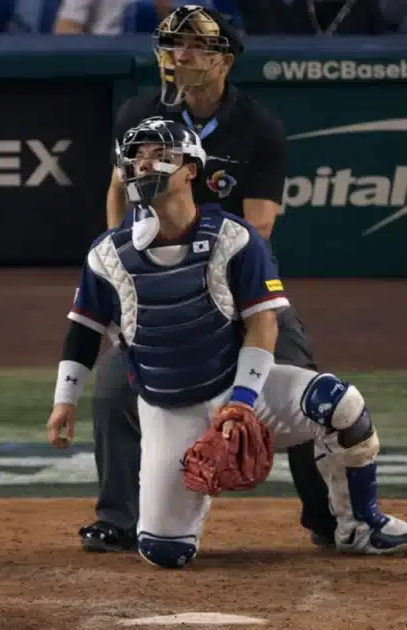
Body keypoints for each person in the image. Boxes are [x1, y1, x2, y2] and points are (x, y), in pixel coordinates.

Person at [47, 117, 407, 568]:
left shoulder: (234, 238)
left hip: (240, 391)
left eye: (160, 154)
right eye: (137, 156)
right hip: (167, 407)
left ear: (191, 169)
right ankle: (175, 505)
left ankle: (359, 524)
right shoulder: (107, 253)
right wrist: (64, 401)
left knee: (339, 405)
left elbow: (264, 324)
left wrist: (241, 402)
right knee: (165, 551)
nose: (146, 164)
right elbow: (84, 329)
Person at [79, 3, 337, 554]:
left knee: (299, 376)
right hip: (154, 284)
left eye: (197, 45)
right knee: (113, 387)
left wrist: (205, 261)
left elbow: (259, 223)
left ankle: (328, 516)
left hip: (236, 283)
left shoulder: (258, 128)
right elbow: (117, 190)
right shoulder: (139, 113)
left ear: (226, 59)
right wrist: (124, 261)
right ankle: (118, 517)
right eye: (175, 44)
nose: (183, 55)